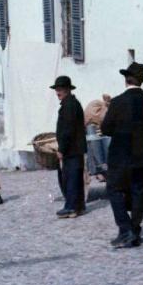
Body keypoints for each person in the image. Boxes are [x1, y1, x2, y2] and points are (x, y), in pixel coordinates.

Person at [101, 62, 143, 249]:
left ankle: (125, 228)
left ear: (126, 80)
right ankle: (134, 230)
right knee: (138, 191)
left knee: (114, 191)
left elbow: (106, 128)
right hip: (141, 155)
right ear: (141, 82)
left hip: (120, 156)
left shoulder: (118, 102)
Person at [51, 76, 87, 219]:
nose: (57, 92)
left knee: (70, 178)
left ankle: (71, 207)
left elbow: (68, 130)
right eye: (56, 89)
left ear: (67, 89)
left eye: (60, 89)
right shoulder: (72, 103)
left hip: (71, 149)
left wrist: (62, 149)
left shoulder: (69, 106)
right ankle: (79, 206)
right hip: (75, 148)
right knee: (75, 178)